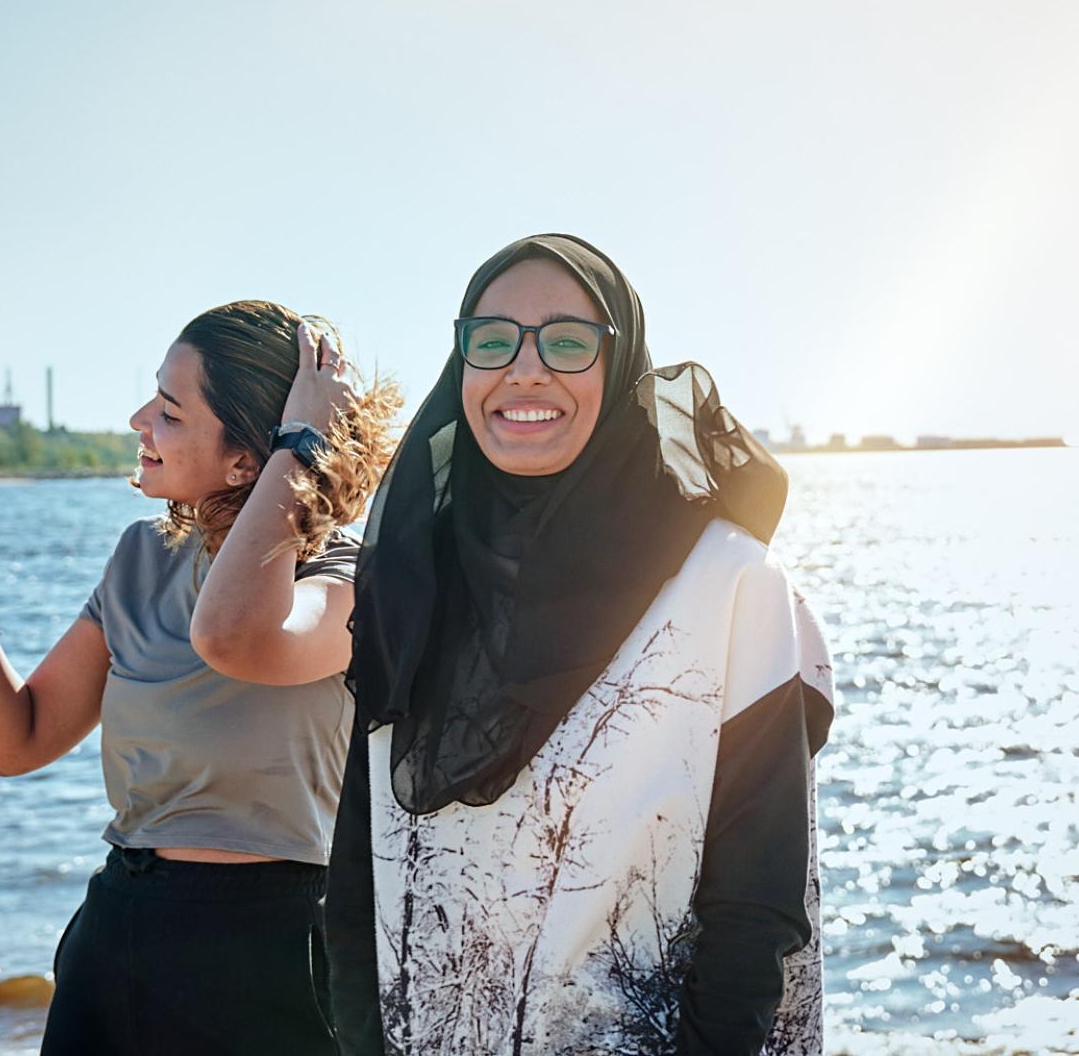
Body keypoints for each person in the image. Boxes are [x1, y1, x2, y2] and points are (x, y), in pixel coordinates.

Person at [324, 235, 836, 1055]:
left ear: (622, 363)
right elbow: (357, 876)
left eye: (567, 341)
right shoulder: (415, 579)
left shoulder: (731, 586)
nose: (525, 370)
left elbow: (755, 908)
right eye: (491, 340)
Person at [0, 300, 398, 1055]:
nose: (137, 421)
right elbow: (17, 740)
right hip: (119, 941)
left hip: (276, 965)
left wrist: (300, 445)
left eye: (169, 410)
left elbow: (235, 636)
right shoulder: (142, 558)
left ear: (248, 458)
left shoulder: (345, 580)